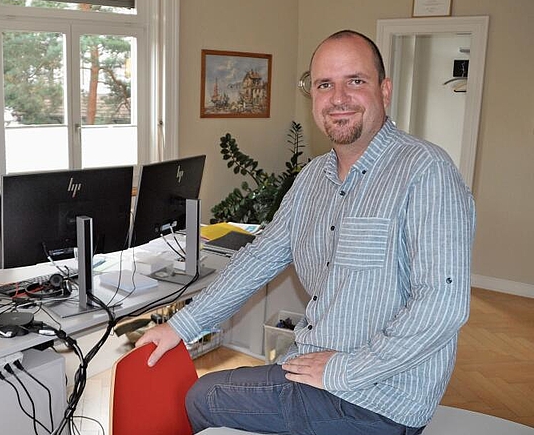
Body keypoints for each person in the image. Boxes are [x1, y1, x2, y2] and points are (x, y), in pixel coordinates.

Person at [136, 29, 476, 435]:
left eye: (355, 81)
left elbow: (444, 304)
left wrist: (345, 370)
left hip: (377, 399)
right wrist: (180, 326)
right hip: (315, 366)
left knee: (202, 396)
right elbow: (258, 259)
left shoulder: (426, 171)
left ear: (384, 91)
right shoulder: (313, 177)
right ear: (313, 96)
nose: (338, 98)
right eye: (324, 85)